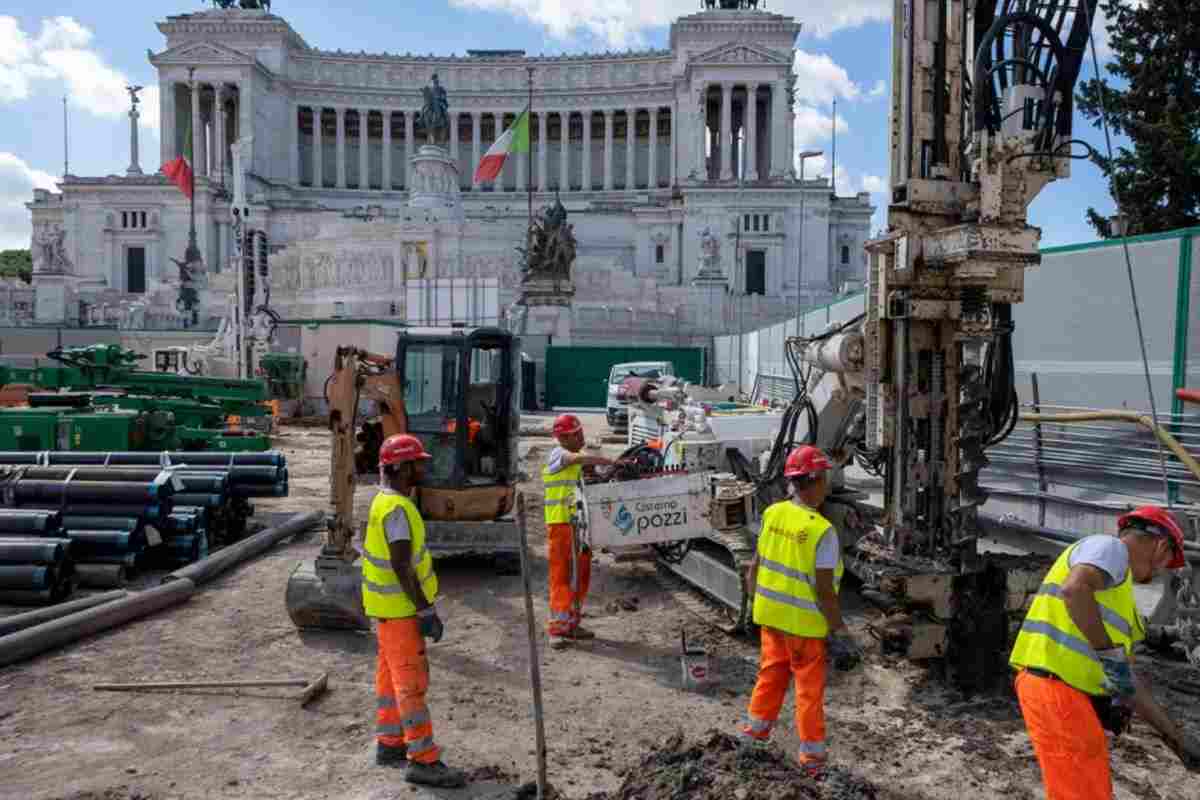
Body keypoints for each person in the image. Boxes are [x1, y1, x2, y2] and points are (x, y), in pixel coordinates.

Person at [1010, 506, 1200, 799]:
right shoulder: (1110, 548)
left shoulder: (1119, 595)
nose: (1160, 571)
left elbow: (1125, 678)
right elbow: (1074, 590)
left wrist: (1174, 738)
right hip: (1056, 689)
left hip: (1067, 695)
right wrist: (1107, 652)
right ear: (1161, 546)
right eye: (1165, 563)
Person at [738, 445, 860, 777]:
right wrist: (841, 631)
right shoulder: (822, 532)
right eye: (826, 480)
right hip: (804, 629)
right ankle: (811, 760)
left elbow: (754, 568)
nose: (828, 487)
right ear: (816, 480)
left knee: (770, 676)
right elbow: (824, 592)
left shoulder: (773, 513)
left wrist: (753, 608)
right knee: (808, 692)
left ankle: (754, 735)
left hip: (770, 619)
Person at [364, 433, 467, 789]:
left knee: (390, 679)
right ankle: (422, 759)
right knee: (411, 684)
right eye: (418, 462)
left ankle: (390, 743)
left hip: (386, 610)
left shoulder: (384, 501)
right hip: (402, 610)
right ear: (402, 467)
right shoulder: (397, 509)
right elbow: (401, 565)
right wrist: (425, 610)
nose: (423, 466)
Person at [542, 413, 614, 649]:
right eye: (577, 434)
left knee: (580, 575)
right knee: (562, 577)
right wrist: (604, 460)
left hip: (579, 526)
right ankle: (557, 628)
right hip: (561, 526)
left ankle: (572, 623)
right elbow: (572, 459)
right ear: (564, 438)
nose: (582, 436)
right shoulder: (558, 454)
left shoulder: (575, 458)